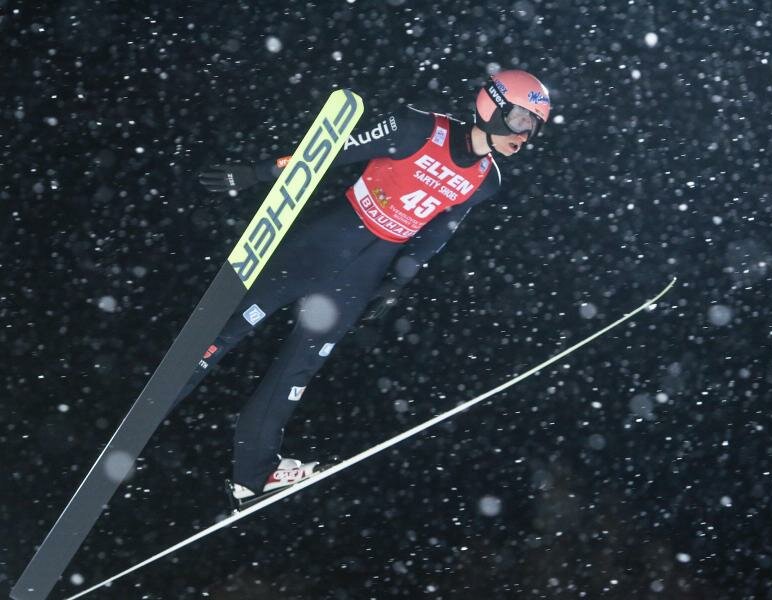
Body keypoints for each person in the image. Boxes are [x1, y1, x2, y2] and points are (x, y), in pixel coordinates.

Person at [184, 70, 552, 508]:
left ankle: (254, 474)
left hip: (363, 275)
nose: (524, 136)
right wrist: (256, 173)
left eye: (534, 127)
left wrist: (397, 282)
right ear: (491, 106)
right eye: (520, 121)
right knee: (230, 330)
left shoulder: (486, 182)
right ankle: (161, 392)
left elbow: (440, 232)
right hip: (325, 242)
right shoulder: (418, 128)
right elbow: (330, 152)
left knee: (297, 373)